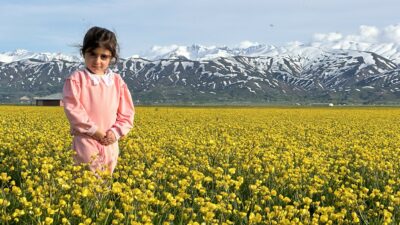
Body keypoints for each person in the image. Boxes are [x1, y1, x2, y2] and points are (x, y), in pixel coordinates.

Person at [63, 26, 134, 175]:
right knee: (89, 181)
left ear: (111, 57)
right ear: (83, 54)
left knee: (106, 181)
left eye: (104, 56)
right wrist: (95, 132)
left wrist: (115, 133)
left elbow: (127, 113)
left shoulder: (117, 81)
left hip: (110, 141)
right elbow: (73, 110)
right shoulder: (77, 79)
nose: (97, 61)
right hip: (85, 138)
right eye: (92, 54)